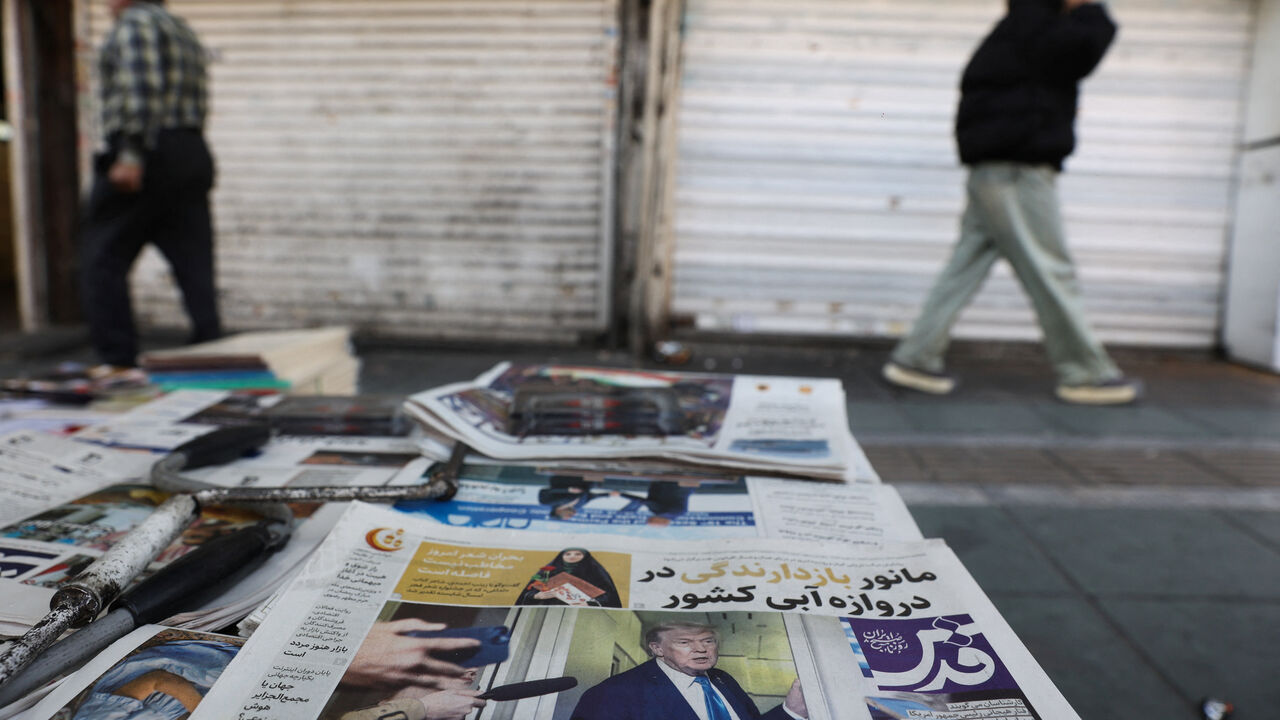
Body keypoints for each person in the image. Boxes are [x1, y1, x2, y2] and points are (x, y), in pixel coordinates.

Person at [882, 0, 1141, 405]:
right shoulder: (1041, 27)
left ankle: (915, 358)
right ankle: (1085, 373)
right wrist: (1090, 8)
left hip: (993, 168)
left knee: (965, 265)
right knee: (1049, 269)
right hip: (1016, 169)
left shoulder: (1018, 27)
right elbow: (1088, 46)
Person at [82, 0, 221, 368]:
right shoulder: (181, 29)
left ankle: (118, 362)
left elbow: (143, 90)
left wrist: (131, 153)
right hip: (189, 151)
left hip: (147, 153)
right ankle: (215, 355)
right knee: (194, 262)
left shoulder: (136, 24)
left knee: (101, 259)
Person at [570, 622, 808, 720]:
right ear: (657, 648)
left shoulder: (723, 679)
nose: (700, 649)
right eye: (684, 642)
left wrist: (791, 710)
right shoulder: (612, 693)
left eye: (708, 641)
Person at [516, 548, 622, 608]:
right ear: (561, 557)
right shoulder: (547, 572)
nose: (572, 556)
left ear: (585, 557)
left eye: (578, 554)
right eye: (567, 554)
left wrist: (589, 604)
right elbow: (527, 593)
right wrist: (536, 596)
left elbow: (610, 597)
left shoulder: (595, 573)